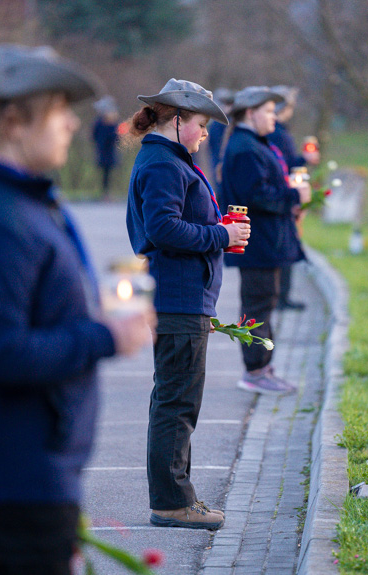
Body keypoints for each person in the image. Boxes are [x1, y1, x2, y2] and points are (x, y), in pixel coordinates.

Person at [0, 44, 155, 575]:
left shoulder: (17, 199)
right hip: (11, 471)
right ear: (13, 121)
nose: (73, 122)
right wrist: (106, 338)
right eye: (60, 109)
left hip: (24, 464)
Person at [124, 78, 250, 530]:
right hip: (178, 300)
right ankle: (172, 502)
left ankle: (179, 496)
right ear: (177, 120)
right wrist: (222, 234)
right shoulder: (162, 164)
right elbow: (162, 229)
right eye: (200, 124)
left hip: (184, 298)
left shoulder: (168, 160)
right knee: (177, 404)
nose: (204, 134)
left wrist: (217, 229)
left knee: (176, 401)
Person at [219, 86, 311, 395]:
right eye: (269, 111)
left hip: (265, 242)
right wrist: (294, 195)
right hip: (257, 243)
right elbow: (256, 195)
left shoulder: (253, 143)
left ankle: (262, 367)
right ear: (250, 113)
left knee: (263, 304)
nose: (274, 117)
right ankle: (255, 370)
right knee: (257, 306)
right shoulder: (245, 148)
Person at [268, 85, 320, 311]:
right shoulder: (278, 132)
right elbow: (284, 165)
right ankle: (281, 297)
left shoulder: (277, 131)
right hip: (283, 195)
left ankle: (281, 296)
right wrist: (304, 159)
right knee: (286, 245)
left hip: (284, 193)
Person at [92, 96, 120, 199]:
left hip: (108, 152)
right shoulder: (101, 123)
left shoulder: (109, 123)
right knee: (105, 174)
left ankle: (106, 193)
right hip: (104, 152)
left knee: (107, 174)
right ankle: (105, 193)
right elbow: (96, 136)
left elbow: (116, 138)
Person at [206, 88, 234, 179]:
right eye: (226, 104)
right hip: (218, 159)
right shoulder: (217, 123)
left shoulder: (229, 120)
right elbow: (215, 145)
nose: (228, 107)